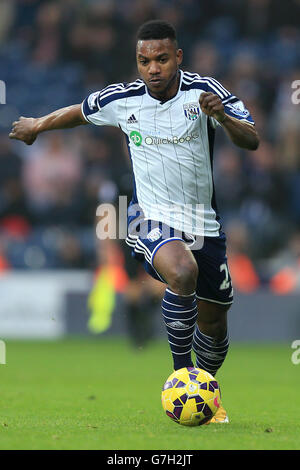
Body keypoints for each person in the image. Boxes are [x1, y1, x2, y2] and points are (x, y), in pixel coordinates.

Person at [9, 20, 259, 424]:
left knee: (214, 327)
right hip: (149, 217)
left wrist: (225, 120)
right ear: (137, 62)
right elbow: (79, 112)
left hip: (204, 225)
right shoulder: (124, 99)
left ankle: (201, 392)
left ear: (177, 57)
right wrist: (38, 125)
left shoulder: (205, 93)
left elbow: (252, 139)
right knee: (182, 271)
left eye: (161, 59)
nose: (153, 68)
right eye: (144, 61)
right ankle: (180, 378)